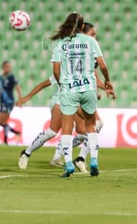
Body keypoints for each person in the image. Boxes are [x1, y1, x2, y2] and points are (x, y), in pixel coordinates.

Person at [51, 12, 114, 177]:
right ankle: (93, 160)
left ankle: (69, 164)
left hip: (69, 89)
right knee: (91, 126)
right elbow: (102, 65)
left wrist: (62, 84)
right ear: (82, 26)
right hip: (88, 88)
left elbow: (56, 70)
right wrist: (107, 81)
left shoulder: (61, 43)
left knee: (66, 129)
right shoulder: (90, 41)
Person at [0, 60, 22, 145]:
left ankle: (8, 139)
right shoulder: (0, 78)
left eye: (9, 67)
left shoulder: (12, 77)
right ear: (3, 68)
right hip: (2, 102)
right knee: (2, 122)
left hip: (9, 102)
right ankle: (13, 135)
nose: (8, 68)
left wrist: (20, 100)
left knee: (2, 122)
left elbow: (18, 88)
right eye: (6, 67)